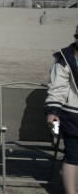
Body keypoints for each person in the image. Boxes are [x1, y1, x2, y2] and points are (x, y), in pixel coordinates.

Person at [45, 25, 78, 194]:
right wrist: (53, 111)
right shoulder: (65, 59)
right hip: (73, 115)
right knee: (73, 155)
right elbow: (58, 88)